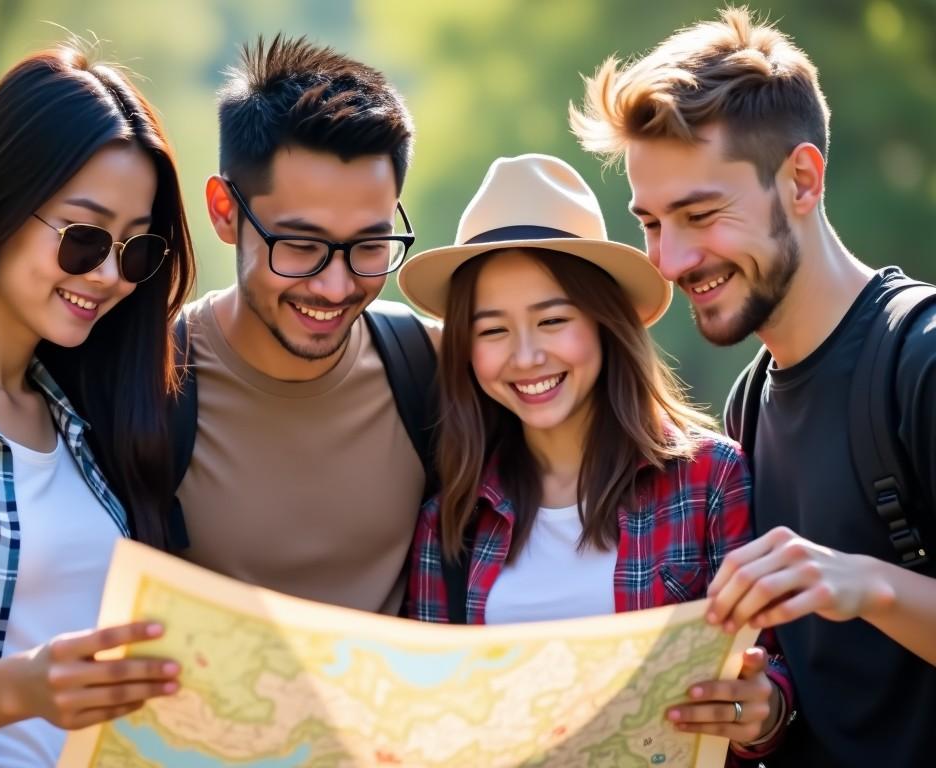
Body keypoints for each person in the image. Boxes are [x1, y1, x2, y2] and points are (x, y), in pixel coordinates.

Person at [570, 7, 936, 766]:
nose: (669, 261)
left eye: (700, 214)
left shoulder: (920, 361)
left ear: (801, 180)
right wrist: (761, 713)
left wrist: (868, 584)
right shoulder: (747, 405)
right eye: (651, 223)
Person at [400, 153, 792, 761]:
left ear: (606, 323)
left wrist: (760, 713)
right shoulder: (450, 523)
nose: (526, 356)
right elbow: (426, 728)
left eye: (553, 319)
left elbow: (776, 682)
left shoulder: (711, 480)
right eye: (492, 330)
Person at [0, 44, 195, 766]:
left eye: (136, 252)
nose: (108, 276)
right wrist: (23, 690)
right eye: (83, 237)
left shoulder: (87, 417)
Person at [173, 35, 436, 615]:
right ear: (224, 211)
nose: (335, 287)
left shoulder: (431, 367)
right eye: (299, 245)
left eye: (370, 245)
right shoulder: (149, 382)